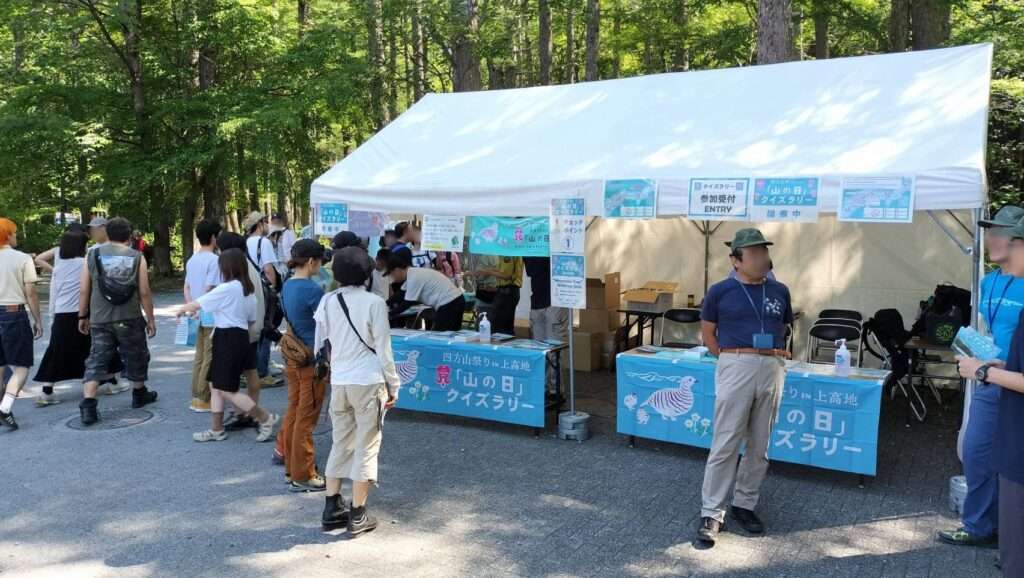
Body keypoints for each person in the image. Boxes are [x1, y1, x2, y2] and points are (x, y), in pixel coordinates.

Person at [697, 228, 793, 545]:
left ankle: (744, 504)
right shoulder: (720, 291)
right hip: (736, 362)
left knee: (760, 444)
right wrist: (731, 358)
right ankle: (712, 511)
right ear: (735, 260)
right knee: (726, 440)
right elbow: (708, 334)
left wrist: (770, 357)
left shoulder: (780, 291)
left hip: (772, 366)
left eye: (764, 252)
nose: (762, 258)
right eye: (754, 254)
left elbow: (786, 327)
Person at [939, 206, 1024, 549]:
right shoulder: (989, 282)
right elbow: (988, 330)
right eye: (991, 231)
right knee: (975, 452)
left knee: (1013, 463)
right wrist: (972, 349)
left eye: (999, 232)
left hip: (1013, 381)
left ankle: (1008, 533)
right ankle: (980, 526)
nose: (991, 238)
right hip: (992, 381)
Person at [315, 246, 400, 535]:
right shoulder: (374, 303)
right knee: (367, 445)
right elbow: (383, 349)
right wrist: (394, 384)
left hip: (339, 381)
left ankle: (331, 506)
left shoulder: (327, 300)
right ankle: (359, 513)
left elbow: (321, 343)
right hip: (368, 381)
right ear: (368, 273)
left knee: (341, 442)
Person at [176, 249, 279, 443]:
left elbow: (197, 303)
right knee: (216, 385)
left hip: (227, 338)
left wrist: (182, 310)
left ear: (227, 267)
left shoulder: (227, 288)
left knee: (225, 389)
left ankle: (265, 418)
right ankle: (216, 429)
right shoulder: (247, 292)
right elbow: (251, 320)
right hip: (240, 337)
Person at [77, 217, 158, 425]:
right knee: (136, 354)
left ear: (108, 233)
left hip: (100, 318)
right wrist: (150, 318)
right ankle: (139, 394)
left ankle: (88, 404)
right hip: (129, 316)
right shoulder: (137, 257)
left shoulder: (92, 255)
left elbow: (85, 288)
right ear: (129, 236)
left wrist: (82, 315)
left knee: (97, 359)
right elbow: (145, 292)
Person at [33, 230, 123, 406]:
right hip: (84, 312)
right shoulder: (87, 262)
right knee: (99, 347)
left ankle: (47, 391)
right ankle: (112, 382)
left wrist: (52, 317)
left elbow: (54, 293)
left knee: (56, 350)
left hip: (61, 313)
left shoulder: (58, 268)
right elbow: (93, 289)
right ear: (81, 246)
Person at [273, 240, 328, 492]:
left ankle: (290, 469)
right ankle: (304, 474)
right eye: (320, 261)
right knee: (307, 417)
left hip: (292, 357)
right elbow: (327, 326)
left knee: (294, 412)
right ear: (311, 262)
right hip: (310, 361)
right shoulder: (313, 290)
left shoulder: (286, 286)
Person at [216, 232, 267, 431]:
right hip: (253, 326)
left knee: (236, 374)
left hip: (243, 329)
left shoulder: (238, 271)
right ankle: (248, 410)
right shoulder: (247, 265)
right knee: (250, 370)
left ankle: (246, 413)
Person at [0, 218, 43, 430]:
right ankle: (5, 407)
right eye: (15, 233)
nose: (16, 236)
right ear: (7, 235)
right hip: (13, 314)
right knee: (21, 366)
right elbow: (31, 293)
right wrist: (38, 320)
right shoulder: (22, 258)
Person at [183, 219, 223, 413]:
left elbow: (187, 287)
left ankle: (196, 395)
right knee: (210, 355)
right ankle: (204, 396)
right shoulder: (214, 261)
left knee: (199, 354)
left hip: (196, 312)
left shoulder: (192, 259)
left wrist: (192, 308)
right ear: (214, 237)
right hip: (210, 313)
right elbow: (210, 288)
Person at [387, 247, 465, 332]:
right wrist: (384, 303)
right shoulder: (413, 273)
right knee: (451, 335)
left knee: (439, 336)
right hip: (456, 300)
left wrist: (389, 314)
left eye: (392, 274)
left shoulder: (414, 277)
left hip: (449, 304)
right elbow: (400, 294)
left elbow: (407, 303)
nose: (392, 278)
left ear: (397, 270)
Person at [243, 211, 281, 386]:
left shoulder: (243, 243)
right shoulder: (263, 242)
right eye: (265, 222)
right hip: (263, 290)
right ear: (259, 225)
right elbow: (268, 269)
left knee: (252, 328)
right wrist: (275, 288)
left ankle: (251, 369)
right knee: (266, 328)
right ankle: (262, 372)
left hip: (247, 289)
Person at [524, 257, 569, 395]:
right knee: (540, 351)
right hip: (539, 301)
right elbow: (531, 270)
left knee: (554, 350)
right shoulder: (530, 245)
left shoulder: (556, 238)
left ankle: (555, 390)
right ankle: (544, 388)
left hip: (555, 300)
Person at [473, 255, 522, 335]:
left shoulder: (508, 254)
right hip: (506, 291)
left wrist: (489, 272)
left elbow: (506, 275)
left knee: (502, 328)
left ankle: (502, 345)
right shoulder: (509, 253)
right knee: (503, 325)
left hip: (506, 291)